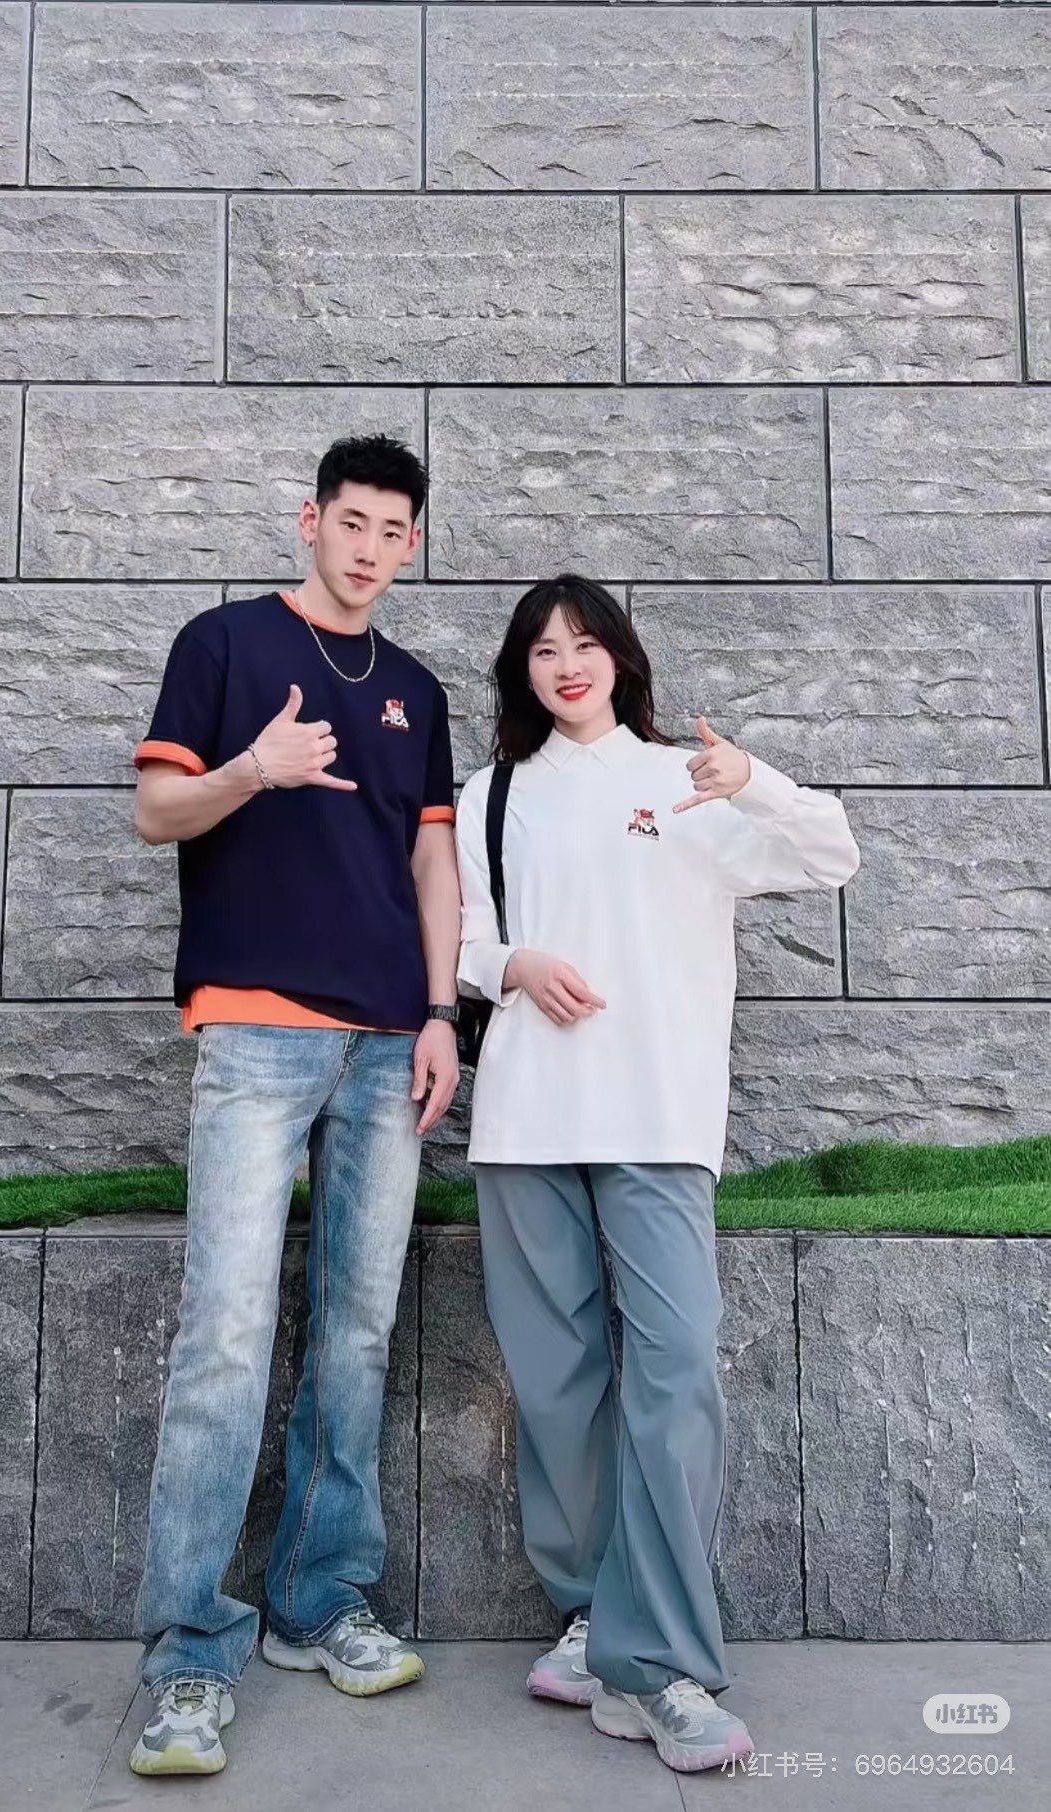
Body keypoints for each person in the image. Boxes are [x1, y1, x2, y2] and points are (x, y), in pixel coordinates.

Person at [454, 575, 860, 1776]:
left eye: (585, 644)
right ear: (521, 673)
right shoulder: (490, 794)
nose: (566, 664)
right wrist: (514, 963)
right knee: (557, 1386)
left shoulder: (689, 780)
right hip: (526, 1122)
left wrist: (756, 781)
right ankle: (596, 1620)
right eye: (542, 650)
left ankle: (662, 1661)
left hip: (660, 1118)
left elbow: (832, 855)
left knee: (675, 1371)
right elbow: (458, 941)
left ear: (623, 660)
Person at [127, 435, 462, 1777]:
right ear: (307, 519)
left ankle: (319, 1601)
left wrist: (441, 1015)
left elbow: (432, 864)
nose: (369, 547)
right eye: (351, 521)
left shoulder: (419, 690)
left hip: (389, 1045)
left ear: (412, 544)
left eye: (393, 529)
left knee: (358, 1330)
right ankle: (189, 1650)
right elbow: (158, 812)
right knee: (224, 1333)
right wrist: (252, 772)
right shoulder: (222, 644)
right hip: (257, 1030)